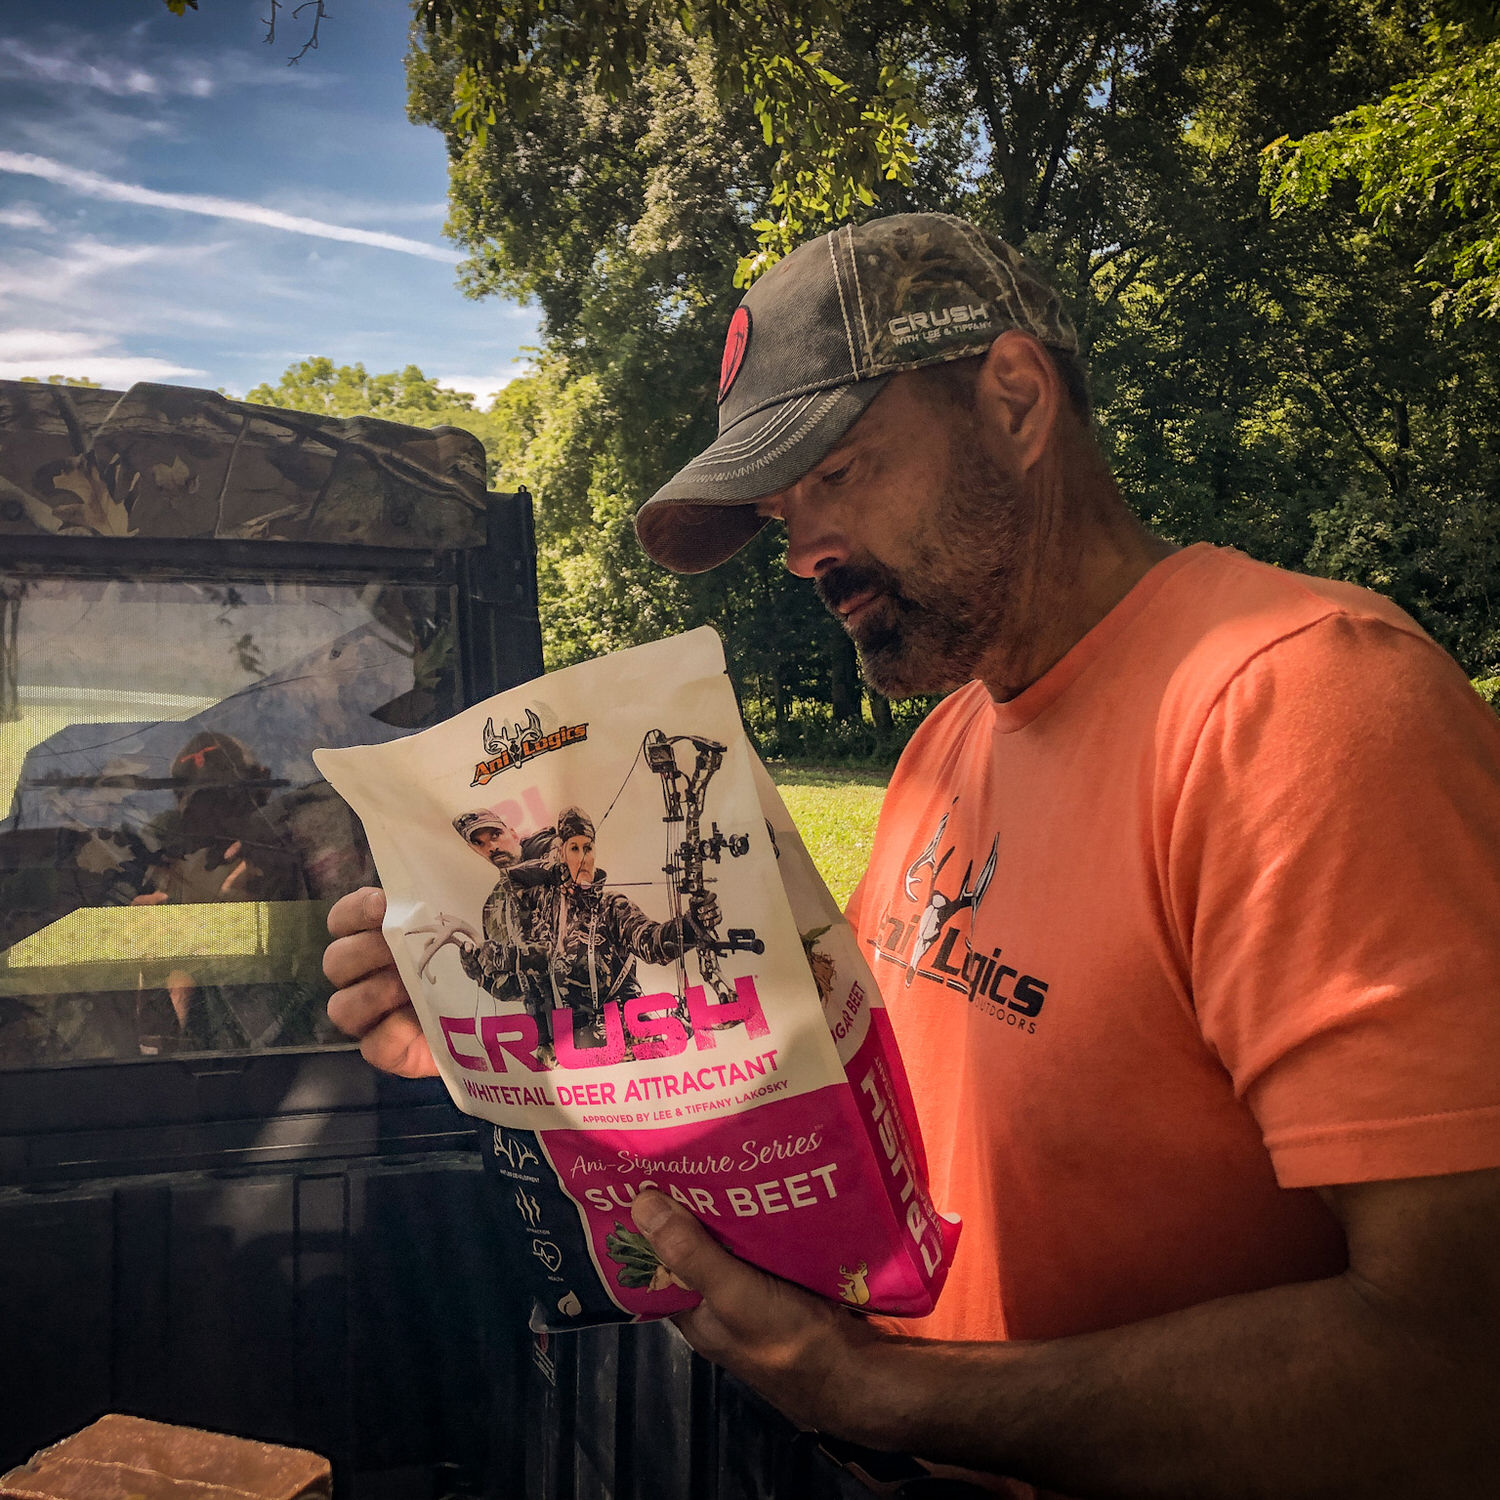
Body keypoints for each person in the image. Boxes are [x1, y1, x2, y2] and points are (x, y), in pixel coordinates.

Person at [323, 213, 1500, 1497]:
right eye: (781, 513)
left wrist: (890, 1396)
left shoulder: (1300, 706)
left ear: (1015, 399)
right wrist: (534, 1027)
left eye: (837, 473)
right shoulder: (950, 738)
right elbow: (829, 1115)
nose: (806, 554)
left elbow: (1455, 1365)